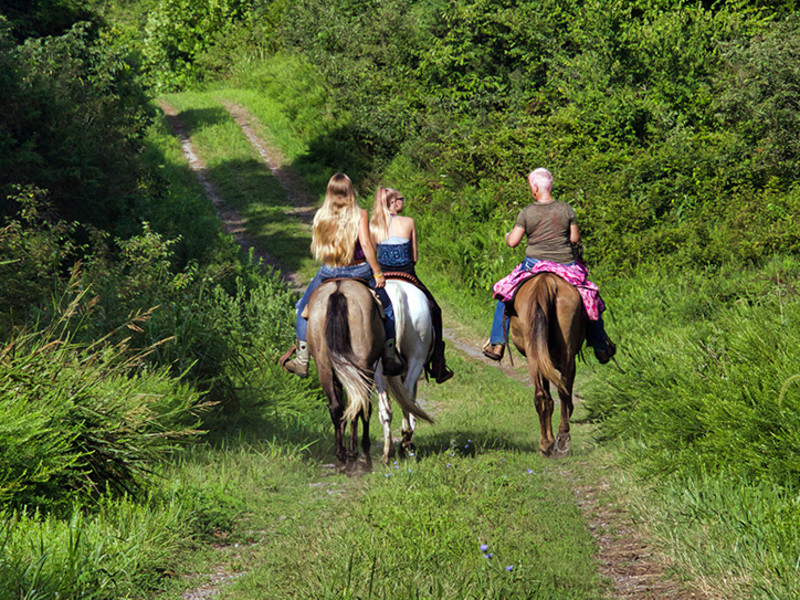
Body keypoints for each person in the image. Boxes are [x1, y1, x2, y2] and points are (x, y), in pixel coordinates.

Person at [483, 168, 616, 364]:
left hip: (533, 265)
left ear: (535, 188)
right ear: (550, 186)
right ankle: (600, 344)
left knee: (504, 293)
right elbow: (574, 238)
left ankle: (497, 343)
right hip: (566, 265)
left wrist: (507, 237)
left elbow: (513, 242)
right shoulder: (566, 209)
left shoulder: (527, 212)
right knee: (590, 295)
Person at [280, 173, 405, 378]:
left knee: (302, 307)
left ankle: (302, 360)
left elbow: (319, 245)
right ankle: (390, 356)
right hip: (359, 269)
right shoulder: (360, 214)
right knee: (388, 307)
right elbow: (365, 244)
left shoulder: (321, 215)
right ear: (350, 191)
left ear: (329, 192)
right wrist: (377, 272)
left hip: (329, 270)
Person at [370, 187, 454, 384]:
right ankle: (438, 363)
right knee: (436, 310)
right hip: (406, 274)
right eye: (401, 199)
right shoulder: (408, 222)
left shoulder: (373, 225)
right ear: (393, 202)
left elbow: (371, 255)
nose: (403, 202)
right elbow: (414, 257)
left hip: (381, 277)